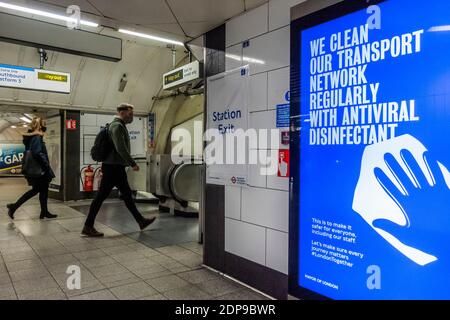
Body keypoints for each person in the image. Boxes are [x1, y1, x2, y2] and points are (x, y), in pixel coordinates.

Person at [82, 103, 156, 237]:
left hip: (115, 167)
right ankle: (88, 226)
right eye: (130, 113)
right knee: (101, 197)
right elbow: (120, 148)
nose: (131, 117)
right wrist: (132, 163)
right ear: (122, 112)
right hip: (113, 167)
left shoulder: (120, 126)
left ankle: (141, 221)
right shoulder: (117, 126)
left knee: (126, 195)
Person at [6, 117, 57, 220]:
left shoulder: (32, 137)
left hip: (35, 169)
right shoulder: (37, 137)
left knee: (43, 190)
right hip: (40, 170)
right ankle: (14, 206)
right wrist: (46, 166)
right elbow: (37, 153)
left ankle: (44, 211)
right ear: (41, 126)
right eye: (44, 124)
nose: (45, 127)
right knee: (36, 190)